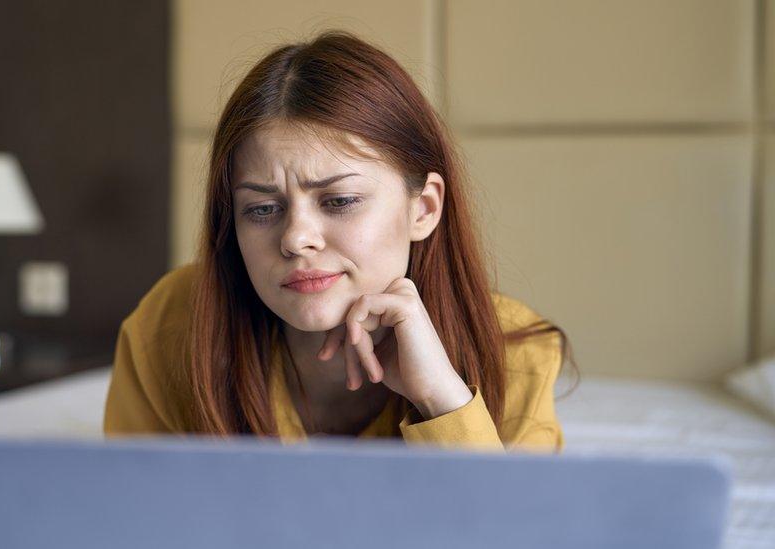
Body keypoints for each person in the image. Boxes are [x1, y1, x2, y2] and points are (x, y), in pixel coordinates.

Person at [103, 30, 578, 453]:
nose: (295, 239)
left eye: (340, 200)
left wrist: (442, 400)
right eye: (262, 209)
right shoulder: (171, 327)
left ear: (424, 208)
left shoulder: (515, 355)